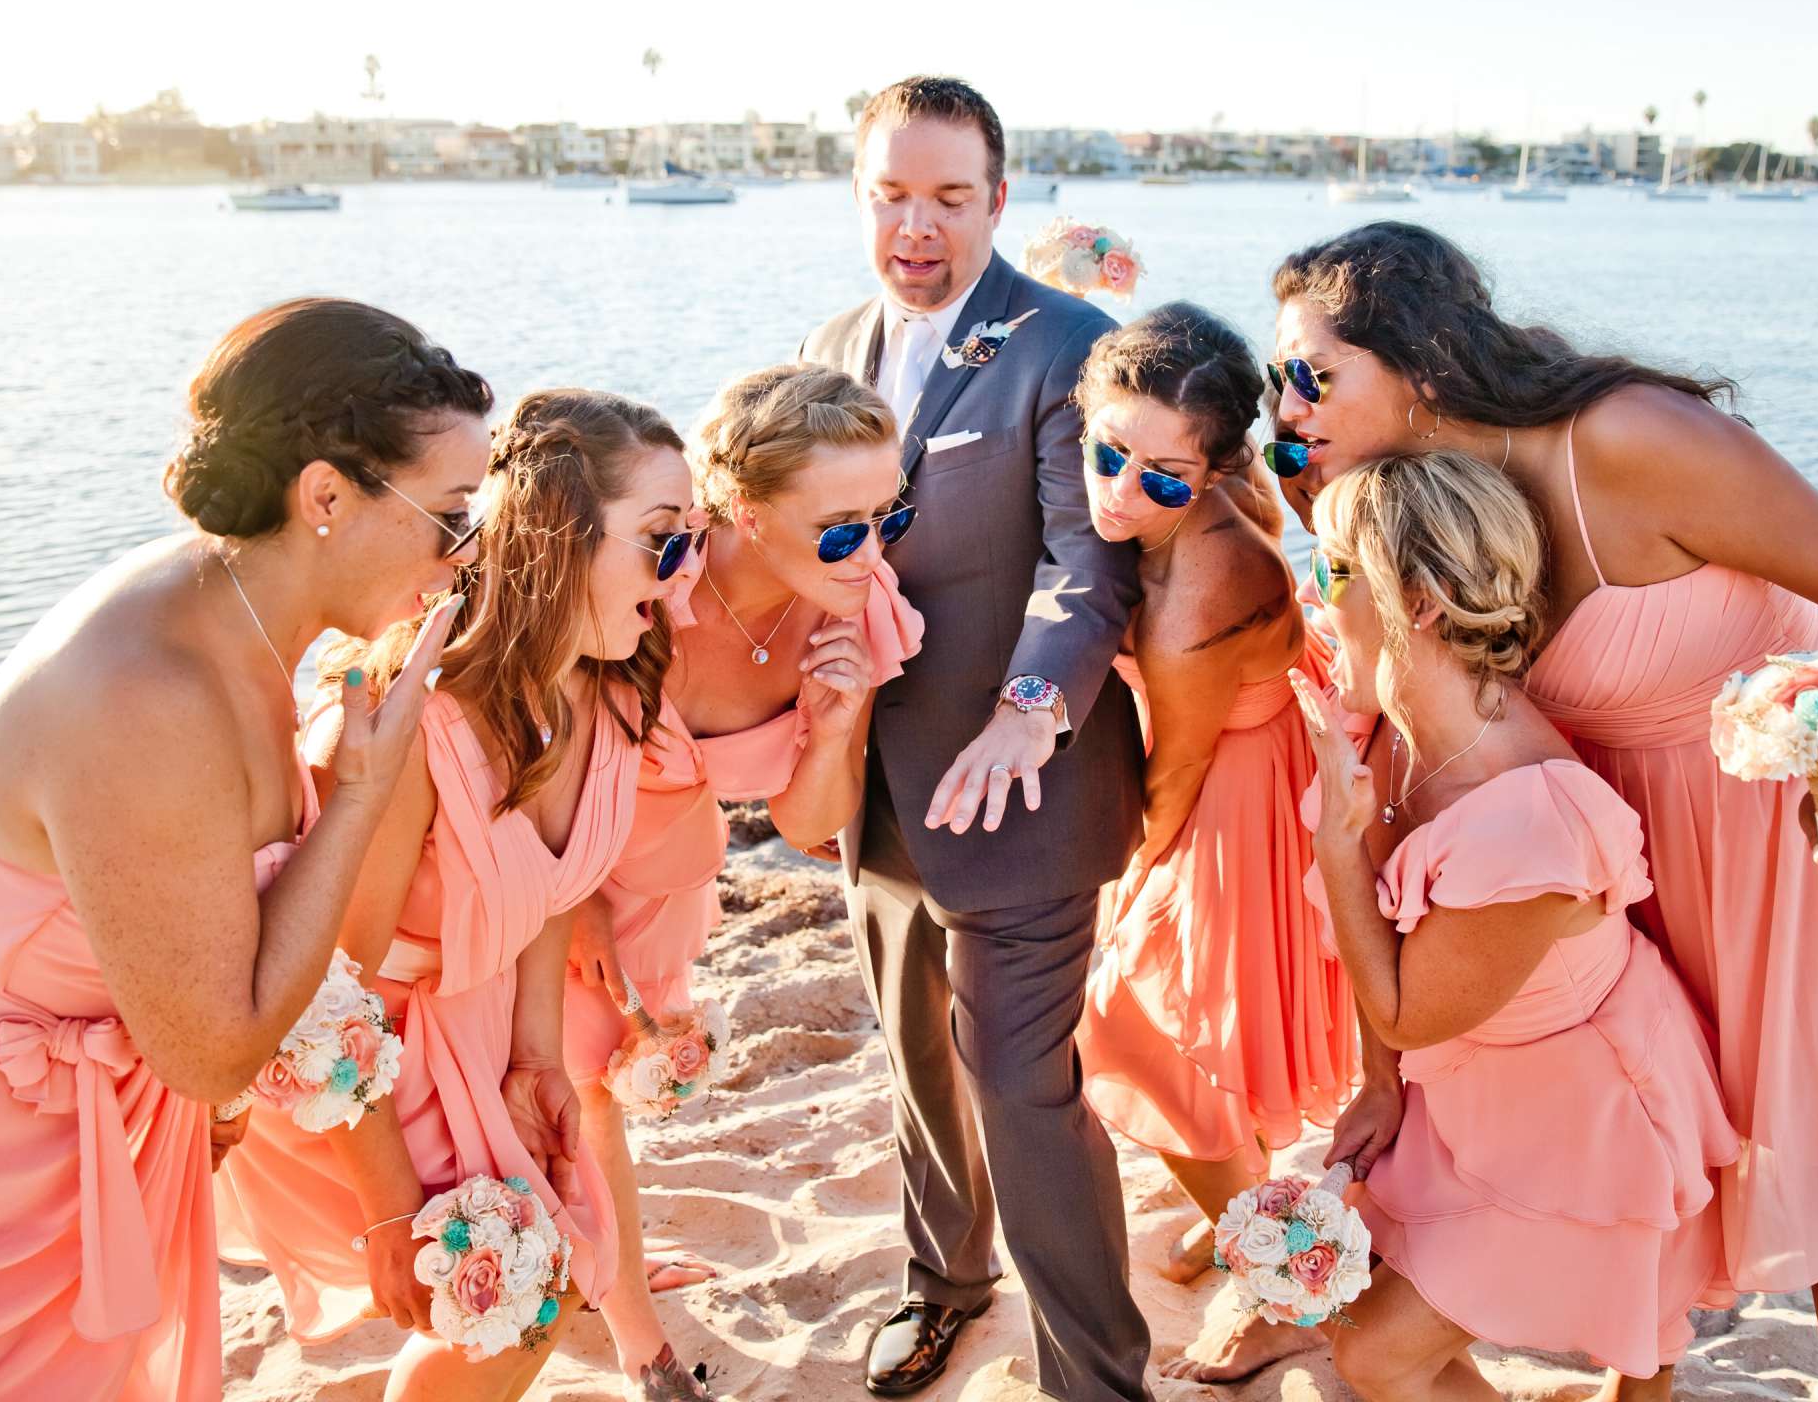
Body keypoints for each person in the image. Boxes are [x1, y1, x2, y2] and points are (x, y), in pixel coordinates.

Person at [0, 298, 484, 1400]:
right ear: (325, 496)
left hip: (33, 1141)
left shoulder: (233, 609)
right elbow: (211, 1052)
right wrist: (357, 797)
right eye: (453, 518)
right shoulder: (150, 696)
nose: (464, 558)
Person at [1266, 221, 1818, 1399]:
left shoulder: (1623, 442)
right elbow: (1379, 646)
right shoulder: (1416, 501)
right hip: (1627, 843)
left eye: (1312, 374)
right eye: (1277, 383)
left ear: (1417, 357)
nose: (1290, 406)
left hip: (1790, 833)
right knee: (1672, 1134)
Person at [215, 390, 695, 1402]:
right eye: (660, 543)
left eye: (689, 543)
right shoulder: (420, 725)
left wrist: (533, 1052)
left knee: (544, 1288)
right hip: (371, 1063)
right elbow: (328, 986)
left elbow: (553, 887)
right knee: (515, 1297)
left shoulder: (608, 692)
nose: (682, 575)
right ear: (561, 536)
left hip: (483, 1039)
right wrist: (392, 1201)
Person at [799, 76, 1151, 1401]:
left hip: (1027, 786)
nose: (918, 223)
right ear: (862, 198)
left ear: (999, 203)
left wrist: (1028, 711)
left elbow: (1088, 566)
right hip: (868, 789)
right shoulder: (831, 343)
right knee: (916, 1057)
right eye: (893, 192)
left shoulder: (1069, 345)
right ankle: (944, 1286)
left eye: (949, 195)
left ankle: (1099, 1379)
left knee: (1019, 1083)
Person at [1298, 450, 1736, 1402]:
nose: (1313, 591)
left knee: (1381, 1355)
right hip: (1464, 1093)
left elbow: (1413, 1008)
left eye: (1332, 569)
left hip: (1581, 1113)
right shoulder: (1393, 725)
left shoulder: (1529, 817)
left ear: (1417, 600)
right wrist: (1380, 1085)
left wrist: (1341, 849)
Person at [558, 363, 924, 1400]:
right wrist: (570, 900)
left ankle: (605, 1261)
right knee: (576, 1091)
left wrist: (841, 720)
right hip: (555, 875)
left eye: (886, 511)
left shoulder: (854, 605)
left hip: (666, 897)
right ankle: (638, 1332)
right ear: (744, 515)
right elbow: (525, 747)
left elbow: (808, 823)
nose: (874, 548)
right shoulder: (646, 582)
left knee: (594, 1100)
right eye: (840, 525)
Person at [1063, 305, 1358, 1383]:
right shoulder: (1200, 493)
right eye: (1108, 452)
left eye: (1165, 480)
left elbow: (1173, 775)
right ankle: (1252, 1205)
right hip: (1257, 752)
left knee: (1137, 1029)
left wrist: (1121, 897)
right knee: (1225, 1030)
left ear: (1217, 464)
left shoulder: (1199, 588)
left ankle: (1286, 1283)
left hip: (1230, 792)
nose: (1124, 494)